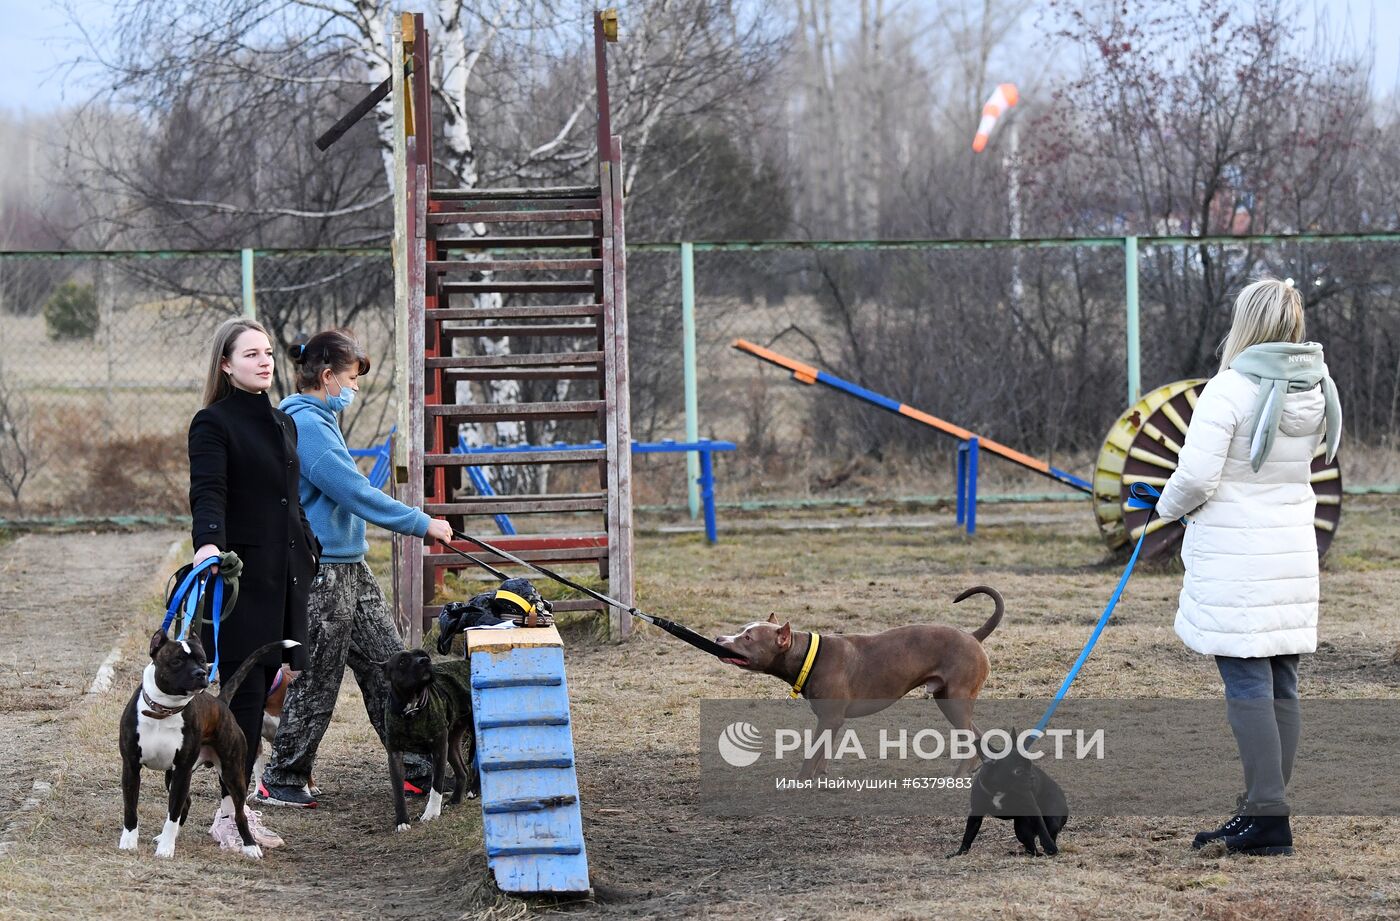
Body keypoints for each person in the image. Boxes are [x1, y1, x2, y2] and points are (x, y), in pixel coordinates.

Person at [1155, 277, 1342, 857]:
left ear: (1247, 323)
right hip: (1290, 552)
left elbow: (1196, 478)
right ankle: (1262, 808)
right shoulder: (1317, 386)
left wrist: (1164, 509)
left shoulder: (1229, 388)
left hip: (1238, 557)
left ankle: (1266, 818)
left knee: (1246, 685)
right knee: (1281, 682)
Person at [254, 329, 454, 809]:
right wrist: (421, 523)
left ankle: (417, 770)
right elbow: (355, 492)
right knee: (319, 680)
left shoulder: (321, 419)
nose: (354, 388)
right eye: (349, 378)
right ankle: (281, 777)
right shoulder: (307, 425)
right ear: (326, 377)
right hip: (323, 574)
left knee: (392, 667)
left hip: (352, 568)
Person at [189, 317, 316, 850]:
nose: (263, 361)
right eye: (250, 355)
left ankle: (237, 808)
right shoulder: (212, 423)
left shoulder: (282, 420)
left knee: (263, 689)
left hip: (285, 575)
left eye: (267, 353)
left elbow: (290, 497)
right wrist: (210, 544)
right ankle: (230, 815)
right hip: (241, 578)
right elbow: (208, 491)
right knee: (241, 697)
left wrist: (311, 545)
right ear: (226, 364)